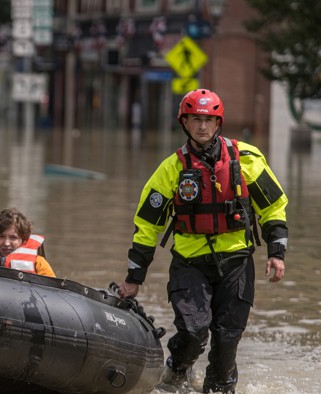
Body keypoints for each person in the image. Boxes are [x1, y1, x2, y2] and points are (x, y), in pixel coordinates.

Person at [117, 89, 288, 393]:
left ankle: (219, 388)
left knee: (227, 341)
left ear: (218, 123)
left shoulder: (246, 159)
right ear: (184, 122)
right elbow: (147, 226)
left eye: (208, 120)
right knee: (194, 333)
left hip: (236, 263)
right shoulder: (171, 169)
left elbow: (273, 206)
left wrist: (277, 253)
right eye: (195, 119)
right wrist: (134, 277)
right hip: (190, 264)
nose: (202, 127)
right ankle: (176, 369)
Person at [0, 208, 56, 277]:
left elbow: (53, 288)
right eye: (1, 236)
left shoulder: (38, 263)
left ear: (24, 239)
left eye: (13, 237)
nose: (6, 243)